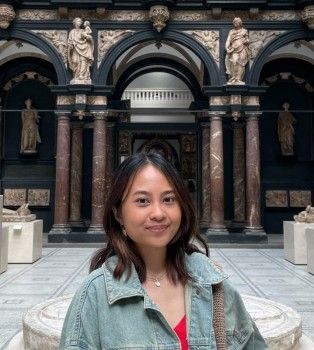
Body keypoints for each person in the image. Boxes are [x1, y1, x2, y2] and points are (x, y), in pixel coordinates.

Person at [59, 152, 267, 349]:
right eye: (142, 201)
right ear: (118, 213)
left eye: (168, 199)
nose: (158, 213)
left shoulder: (212, 282)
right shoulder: (94, 294)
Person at [67, 17, 94, 82]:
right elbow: (70, 41)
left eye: (80, 21)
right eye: (78, 21)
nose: (80, 23)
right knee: (75, 61)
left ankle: (82, 75)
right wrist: (70, 45)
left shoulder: (82, 31)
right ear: (75, 23)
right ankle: (76, 75)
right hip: (75, 49)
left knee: (83, 61)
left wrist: (88, 38)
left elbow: (87, 37)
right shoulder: (72, 32)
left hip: (84, 48)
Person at [225, 17, 250, 85]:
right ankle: (233, 77)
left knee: (241, 63)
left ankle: (238, 79)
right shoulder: (231, 31)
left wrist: (246, 41)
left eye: (236, 22)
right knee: (234, 62)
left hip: (242, 49)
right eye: (234, 23)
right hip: (234, 49)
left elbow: (248, 40)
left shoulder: (244, 31)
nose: (235, 24)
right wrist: (226, 47)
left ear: (239, 23)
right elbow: (228, 40)